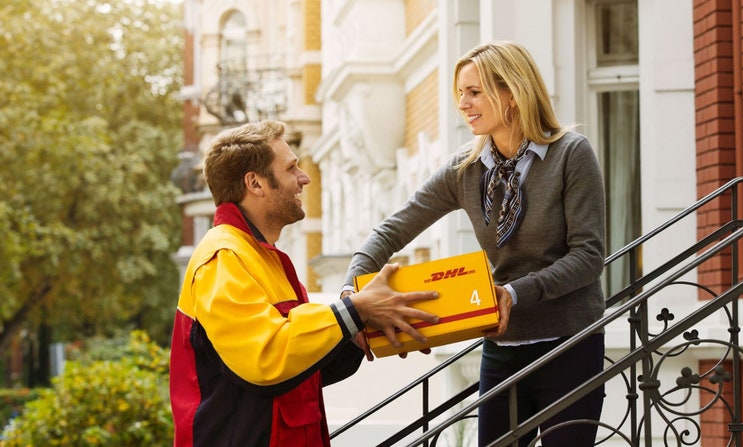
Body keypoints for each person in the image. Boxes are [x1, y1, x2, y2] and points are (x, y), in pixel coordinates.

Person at [342, 41, 607, 447]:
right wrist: (352, 294)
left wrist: (514, 294)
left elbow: (588, 256)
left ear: (512, 93)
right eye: (460, 93)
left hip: (569, 344)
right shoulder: (464, 168)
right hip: (502, 347)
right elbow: (391, 231)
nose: (463, 104)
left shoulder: (570, 154)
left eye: (474, 92)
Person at [169, 120, 440, 447]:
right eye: (291, 167)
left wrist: (353, 334)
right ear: (255, 183)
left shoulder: (261, 256)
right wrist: (353, 311)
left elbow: (300, 371)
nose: (304, 178)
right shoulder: (223, 257)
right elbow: (266, 358)